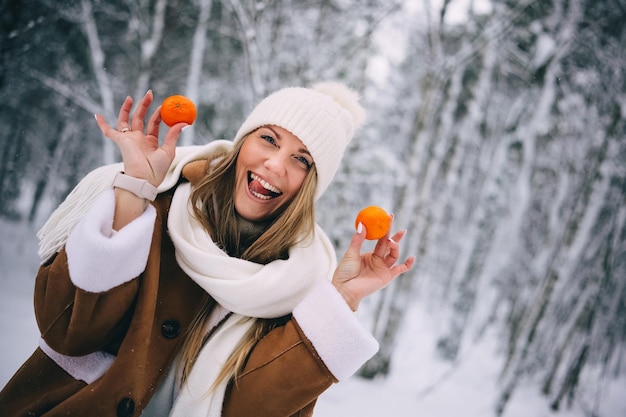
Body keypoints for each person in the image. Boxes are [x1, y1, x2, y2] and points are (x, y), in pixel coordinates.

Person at [0, 82, 414, 417]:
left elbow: (250, 409)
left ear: (311, 186)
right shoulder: (156, 207)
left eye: (301, 160)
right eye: (268, 139)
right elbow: (68, 331)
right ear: (242, 142)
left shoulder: (299, 285)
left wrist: (340, 299)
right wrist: (132, 193)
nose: (275, 165)